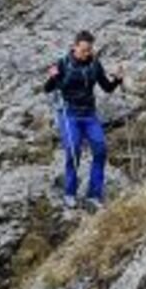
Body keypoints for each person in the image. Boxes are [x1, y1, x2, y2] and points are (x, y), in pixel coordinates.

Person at [43, 31, 123, 209]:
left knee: (100, 150)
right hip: (68, 113)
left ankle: (94, 195)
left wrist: (117, 80)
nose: (87, 53)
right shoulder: (63, 63)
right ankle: (69, 193)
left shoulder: (95, 64)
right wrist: (53, 77)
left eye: (90, 50)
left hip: (89, 114)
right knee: (74, 152)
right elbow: (47, 88)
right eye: (84, 50)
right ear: (75, 47)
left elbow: (107, 88)